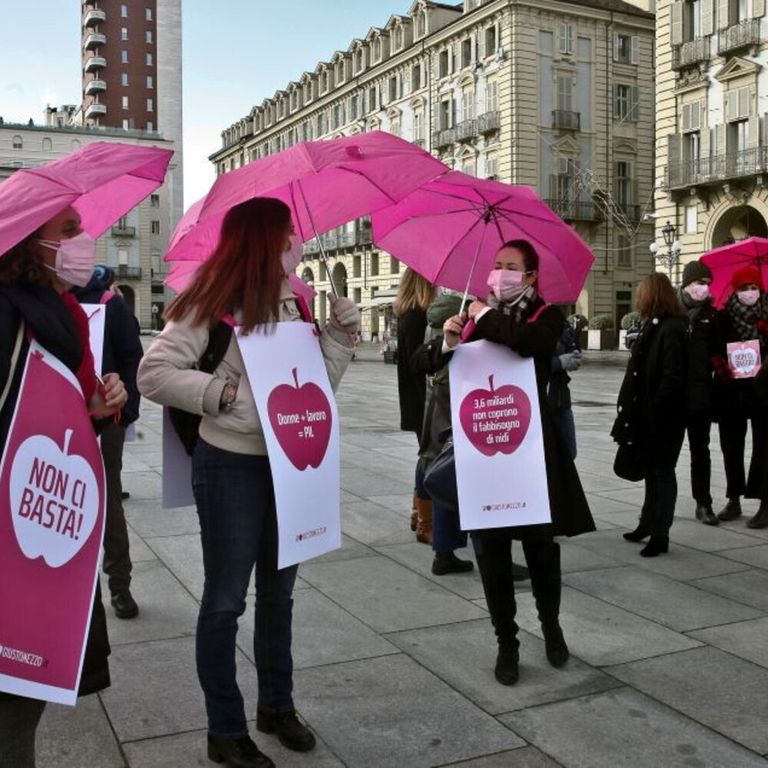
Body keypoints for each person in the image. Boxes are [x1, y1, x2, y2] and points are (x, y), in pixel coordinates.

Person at [137, 198, 359, 768]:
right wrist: (221, 394)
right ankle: (225, 728)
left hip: (292, 464)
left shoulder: (298, 301)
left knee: (279, 596)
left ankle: (276, 706)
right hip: (230, 464)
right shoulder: (212, 301)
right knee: (224, 600)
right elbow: (153, 374)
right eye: (290, 234)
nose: (298, 244)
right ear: (265, 240)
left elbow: (316, 388)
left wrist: (337, 339)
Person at [434, 239, 595, 686]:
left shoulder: (546, 316)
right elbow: (424, 363)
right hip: (484, 454)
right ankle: (506, 640)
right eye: (495, 265)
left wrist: (485, 317)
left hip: (532, 454)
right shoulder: (470, 320)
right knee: (492, 554)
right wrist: (449, 341)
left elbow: (528, 344)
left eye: (510, 267)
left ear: (528, 277)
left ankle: (551, 626)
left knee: (541, 549)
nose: (498, 274)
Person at [0, 206, 127, 767]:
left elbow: (55, 415)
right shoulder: (11, 313)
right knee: (13, 706)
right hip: (13, 534)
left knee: (26, 696)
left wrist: (96, 408)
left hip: (45, 524)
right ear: (32, 243)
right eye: (70, 231)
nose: (85, 241)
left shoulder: (66, 315)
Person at [73, 264, 144, 618]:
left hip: (107, 419)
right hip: (58, 416)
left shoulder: (110, 304)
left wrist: (126, 409)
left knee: (107, 498)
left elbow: (133, 358)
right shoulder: (44, 299)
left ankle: (119, 584)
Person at [615, 273, 688, 557]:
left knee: (662, 472)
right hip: (649, 414)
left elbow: (672, 375)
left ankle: (661, 534)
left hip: (664, 418)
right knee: (652, 472)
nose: (638, 298)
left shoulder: (671, 328)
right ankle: (647, 523)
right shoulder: (652, 325)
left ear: (652, 295)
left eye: (641, 293)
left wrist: (655, 409)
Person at [413, 291, 475, 574]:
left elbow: (418, 361)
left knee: (443, 479)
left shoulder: (433, 331)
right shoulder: (456, 331)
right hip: (454, 413)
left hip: (437, 415)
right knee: (458, 482)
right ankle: (447, 550)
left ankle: (443, 550)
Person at [711, 266, 768, 529]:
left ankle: (765, 503)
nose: (749, 293)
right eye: (744, 288)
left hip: (763, 391)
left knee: (764, 448)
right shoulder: (723, 317)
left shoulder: (766, 316)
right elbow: (714, 349)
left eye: (753, 287)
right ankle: (733, 498)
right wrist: (722, 364)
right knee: (731, 446)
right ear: (735, 291)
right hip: (731, 391)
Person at [393, 268, 437, 542]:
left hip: (416, 398)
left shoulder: (408, 316)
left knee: (425, 455)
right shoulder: (417, 318)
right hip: (423, 400)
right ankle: (425, 523)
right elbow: (415, 364)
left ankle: (417, 514)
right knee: (428, 458)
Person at [678, 260, 719, 526]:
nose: (703, 288)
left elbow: (720, 350)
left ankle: (704, 503)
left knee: (700, 451)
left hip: (701, 395)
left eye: (707, 284)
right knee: (664, 454)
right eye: (699, 283)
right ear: (686, 284)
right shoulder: (670, 312)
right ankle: (656, 508)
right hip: (674, 394)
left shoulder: (712, 316)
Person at [548, 323, 582, 459]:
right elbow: (527, 362)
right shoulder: (522, 323)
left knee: (569, 452)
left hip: (561, 400)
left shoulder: (558, 323)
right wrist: (557, 363)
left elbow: (571, 344)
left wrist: (575, 355)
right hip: (540, 403)